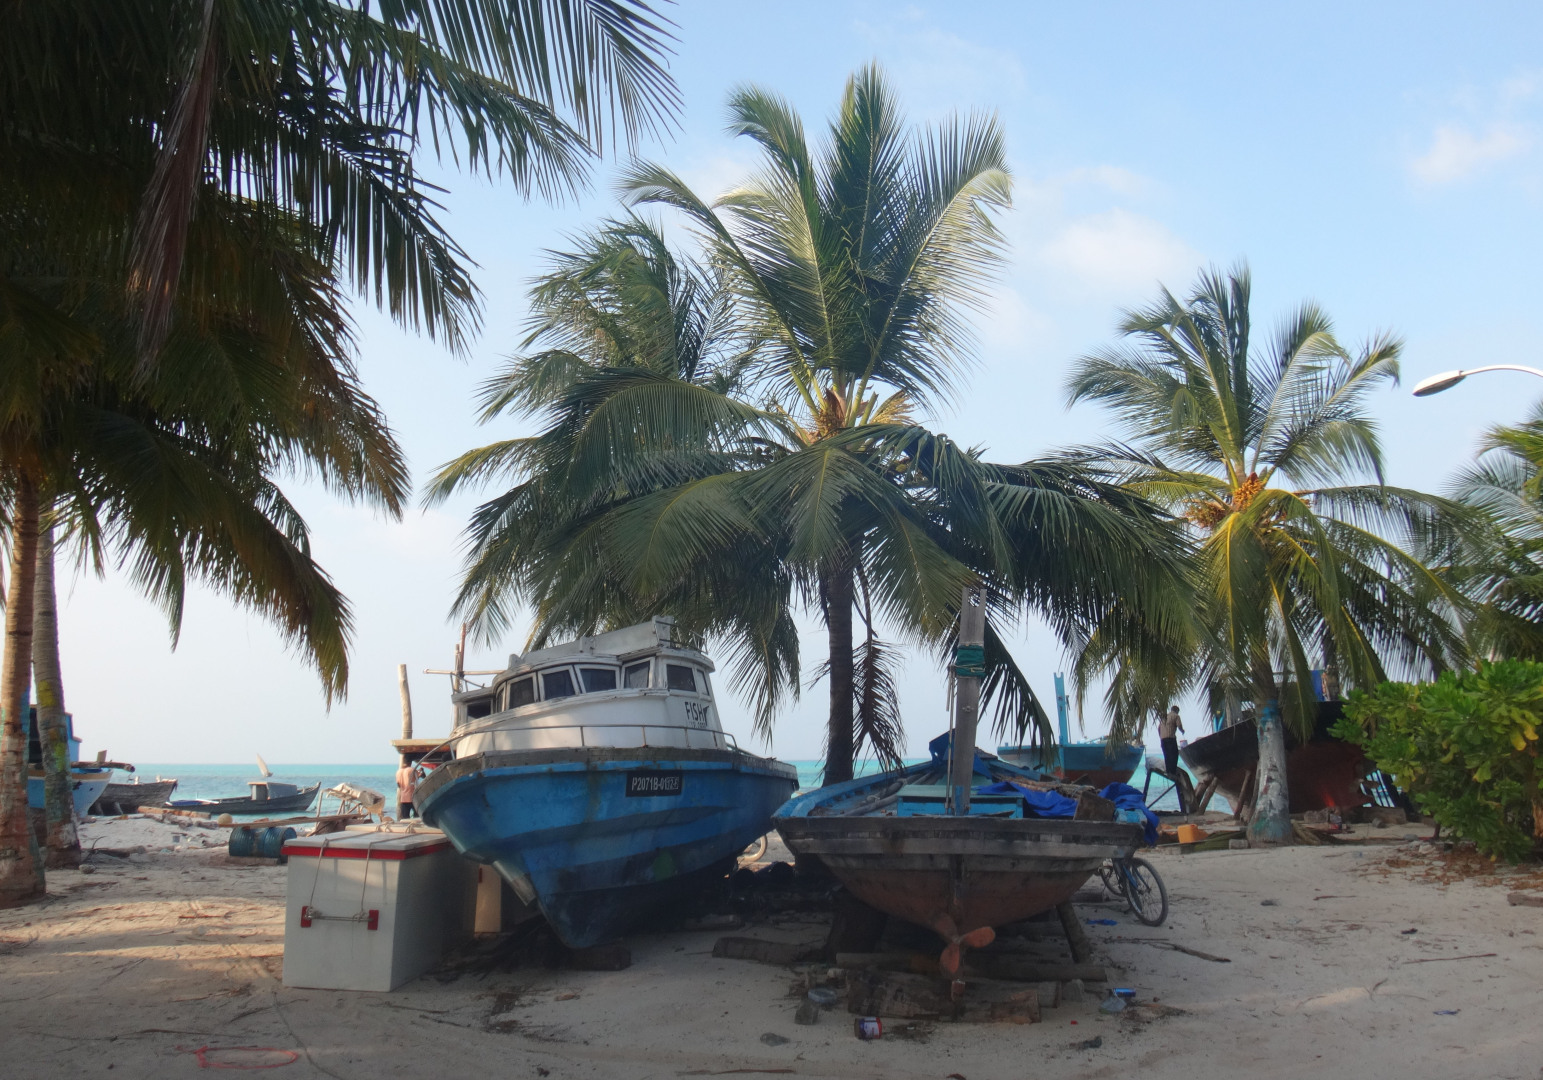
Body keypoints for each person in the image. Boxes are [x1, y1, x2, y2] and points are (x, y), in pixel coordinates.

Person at [1159, 705, 1186, 811]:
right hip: (1170, 738)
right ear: (1177, 710)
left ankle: (1169, 771)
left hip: (1163, 739)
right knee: (1174, 754)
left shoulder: (1164, 716)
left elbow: (1159, 728)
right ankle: (1173, 771)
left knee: (1167, 755)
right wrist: (1182, 731)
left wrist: (1161, 737)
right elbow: (1179, 726)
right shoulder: (1176, 716)